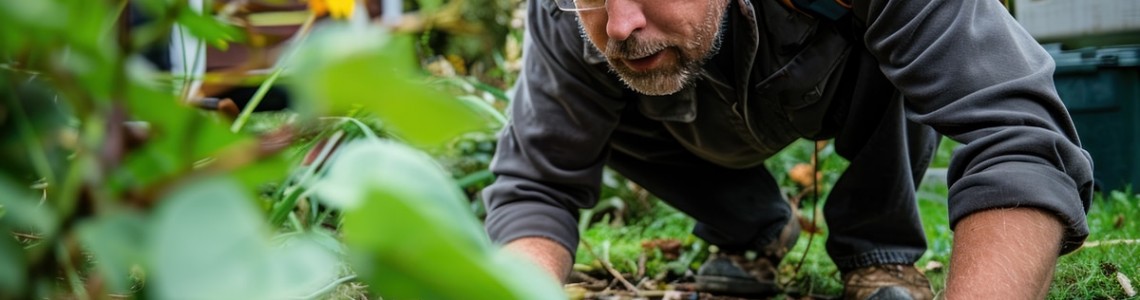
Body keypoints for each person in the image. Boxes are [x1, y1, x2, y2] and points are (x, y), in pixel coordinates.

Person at [481, 0, 1094, 298]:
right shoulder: (570, 18)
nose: (618, 24)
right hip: (690, 128)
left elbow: (1016, 135)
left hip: (851, 91)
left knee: (903, 70)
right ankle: (753, 229)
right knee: (603, 85)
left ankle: (877, 250)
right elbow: (538, 181)